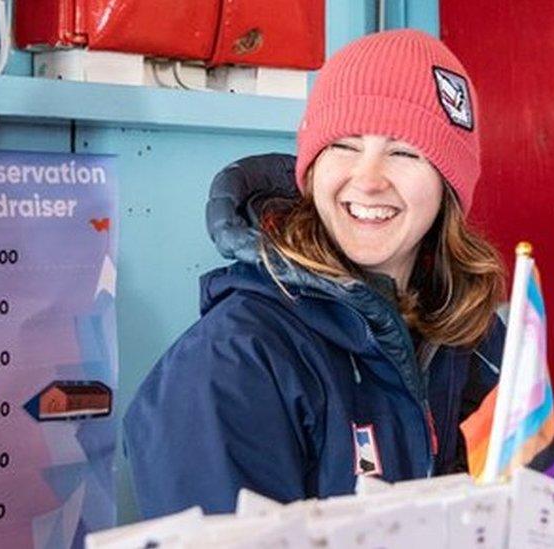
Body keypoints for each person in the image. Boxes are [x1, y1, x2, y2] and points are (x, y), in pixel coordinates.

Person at [124, 29, 507, 518]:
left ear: (447, 187)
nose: (368, 180)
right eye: (345, 145)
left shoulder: (471, 338)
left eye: (404, 152)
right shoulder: (230, 364)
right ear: (312, 166)